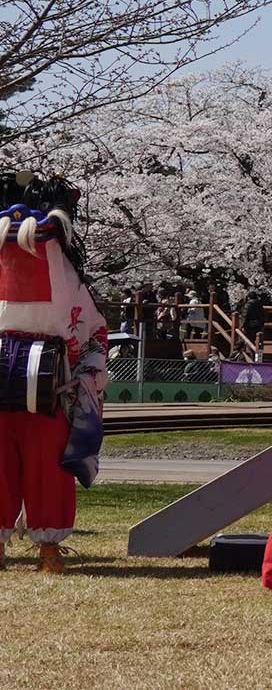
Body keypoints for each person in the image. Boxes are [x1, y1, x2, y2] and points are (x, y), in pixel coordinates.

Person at [0, 172, 109, 574]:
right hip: (46, 384)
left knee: (35, 465)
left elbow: (89, 331)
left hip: (48, 384)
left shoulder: (60, 268)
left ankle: (46, 547)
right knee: (38, 467)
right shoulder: (64, 268)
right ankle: (46, 548)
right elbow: (91, 331)